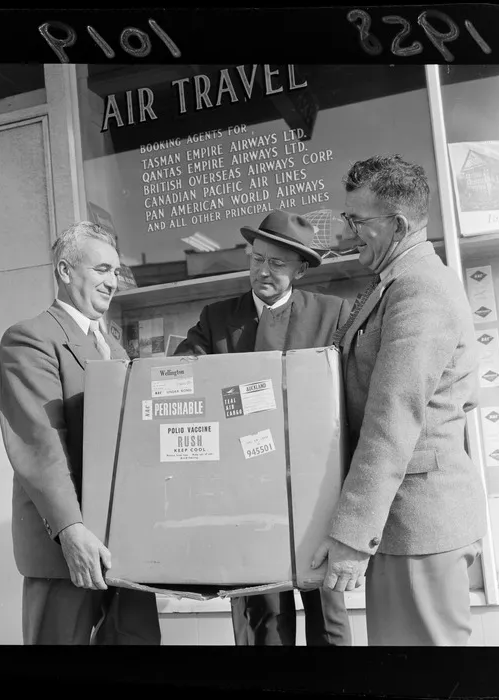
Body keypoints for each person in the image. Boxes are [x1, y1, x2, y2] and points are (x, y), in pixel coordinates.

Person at [311, 154, 487, 646]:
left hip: (417, 528)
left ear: (399, 224)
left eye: (357, 220)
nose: (348, 231)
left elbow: (393, 417)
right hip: (403, 525)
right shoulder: (395, 282)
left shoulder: (418, 289)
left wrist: (352, 534)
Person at [175, 209, 352, 646]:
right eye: (256, 259)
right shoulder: (217, 317)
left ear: (299, 269)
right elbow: (181, 382)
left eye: (276, 263)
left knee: (327, 618)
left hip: (318, 492)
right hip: (246, 495)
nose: (262, 271)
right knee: (262, 623)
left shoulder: (334, 314)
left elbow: (353, 399)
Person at [0, 221, 161, 645]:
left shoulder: (117, 350)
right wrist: (71, 530)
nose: (113, 282)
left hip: (126, 551)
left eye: (116, 273)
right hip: (64, 552)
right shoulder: (31, 338)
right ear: (66, 271)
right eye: (102, 270)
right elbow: (40, 445)